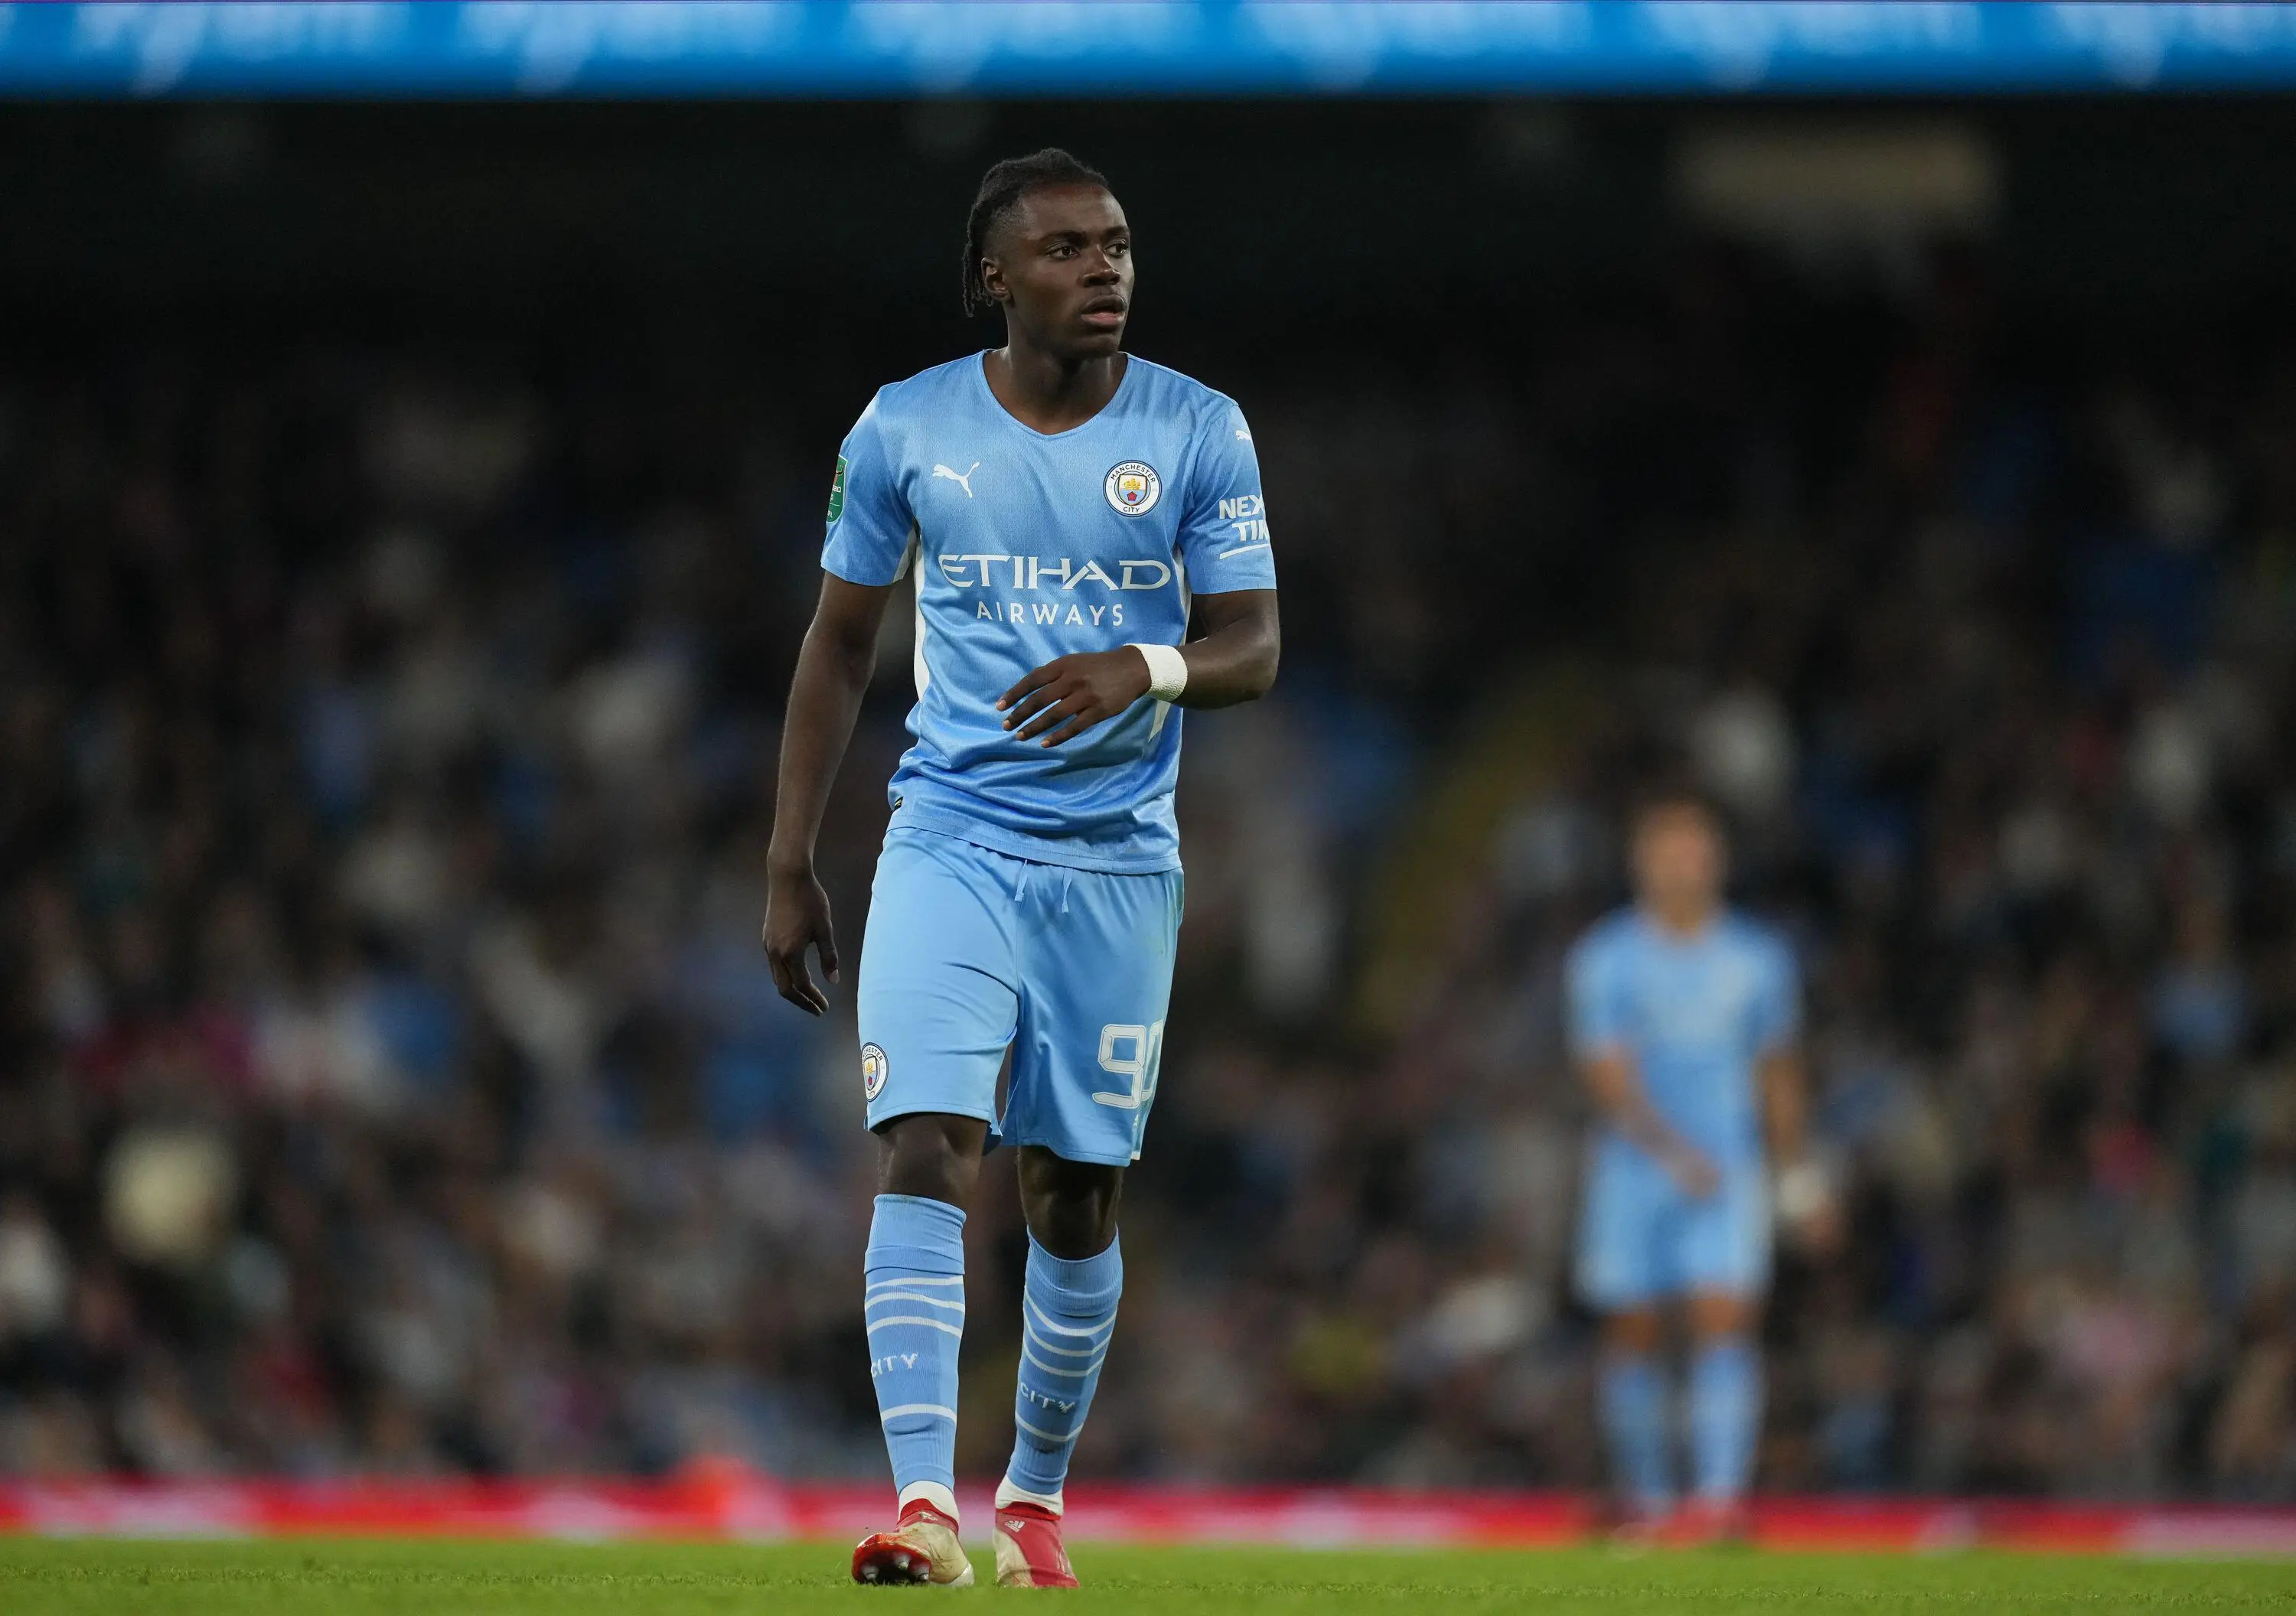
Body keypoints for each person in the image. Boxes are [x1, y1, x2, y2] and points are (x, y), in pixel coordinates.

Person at [761, 148, 1280, 1588]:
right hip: (950, 838)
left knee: (1073, 1193)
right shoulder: (903, 429)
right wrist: (790, 858)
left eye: (1115, 243)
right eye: (1065, 249)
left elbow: (1256, 643)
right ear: (997, 276)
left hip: (1116, 865)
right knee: (928, 1139)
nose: (1103, 268)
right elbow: (840, 641)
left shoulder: (1198, 431)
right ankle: (926, 1506)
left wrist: (1146, 663)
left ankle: (1032, 1494)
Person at [1567, 791, 1825, 1543]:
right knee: (1634, 1326)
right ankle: (1647, 1502)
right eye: (1669, 849)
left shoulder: (1758, 959)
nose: (1685, 863)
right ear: (1641, 862)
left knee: (1725, 1319)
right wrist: (1671, 1152)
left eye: (1697, 849)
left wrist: (1797, 1174)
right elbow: (1606, 1074)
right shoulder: (1606, 956)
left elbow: (1779, 1072)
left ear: (1717, 860)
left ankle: (1716, 1504)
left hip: (1728, 1166)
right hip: (1635, 1166)